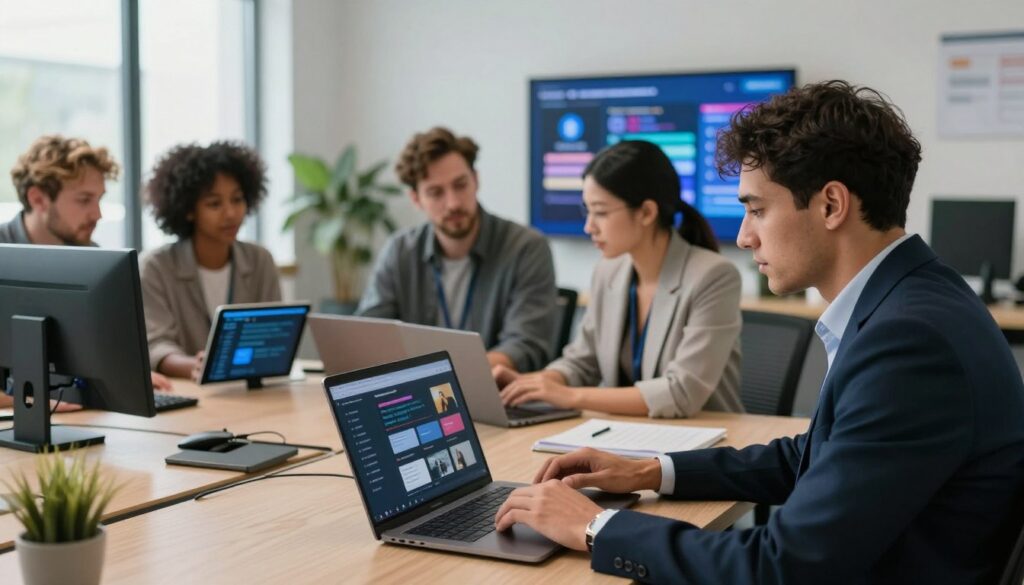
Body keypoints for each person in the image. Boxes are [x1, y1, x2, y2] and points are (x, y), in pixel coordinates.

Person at [493, 81, 1024, 584]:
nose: (744, 236)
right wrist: (648, 472)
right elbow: (814, 455)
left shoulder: (909, 342)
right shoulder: (916, 298)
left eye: (756, 209)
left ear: (832, 205)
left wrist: (593, 527)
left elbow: (781, 568)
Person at [494, 140, 742, 418]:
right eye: (587, 211)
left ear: (647, 212)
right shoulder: (608, 271)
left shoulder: (714, 276)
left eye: (600, 212)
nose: (589, 226)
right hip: (628, 438)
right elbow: (582, 362)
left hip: (706, 441)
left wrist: (569, 395)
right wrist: (538, 383)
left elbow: (681, 392)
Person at [357, 127, 557, 372]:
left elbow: (526, 344)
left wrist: (452, 374)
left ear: (476, 180)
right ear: (416, 200)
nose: (453, 203)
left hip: (498, 394)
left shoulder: (526, 248)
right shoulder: (400, 251)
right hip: (416, 396)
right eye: (436, 193)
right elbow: (370, 335)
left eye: (460, 185)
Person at [0, 135, 171, 404]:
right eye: (84, 200)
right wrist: (32, 401)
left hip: (72, 414)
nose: (97, 214)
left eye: (99, 200)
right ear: (38, 199)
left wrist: (126, 380)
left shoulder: (92, 262)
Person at [141, 141, 281, 380]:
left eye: (237, 199)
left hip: (249, 389)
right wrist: (193, 366)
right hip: (185, 394)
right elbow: (156, 345)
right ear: (188, 210)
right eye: (214, 204)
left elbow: (274, 336)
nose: (230, 213)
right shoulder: (155, 267)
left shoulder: (260, 260)